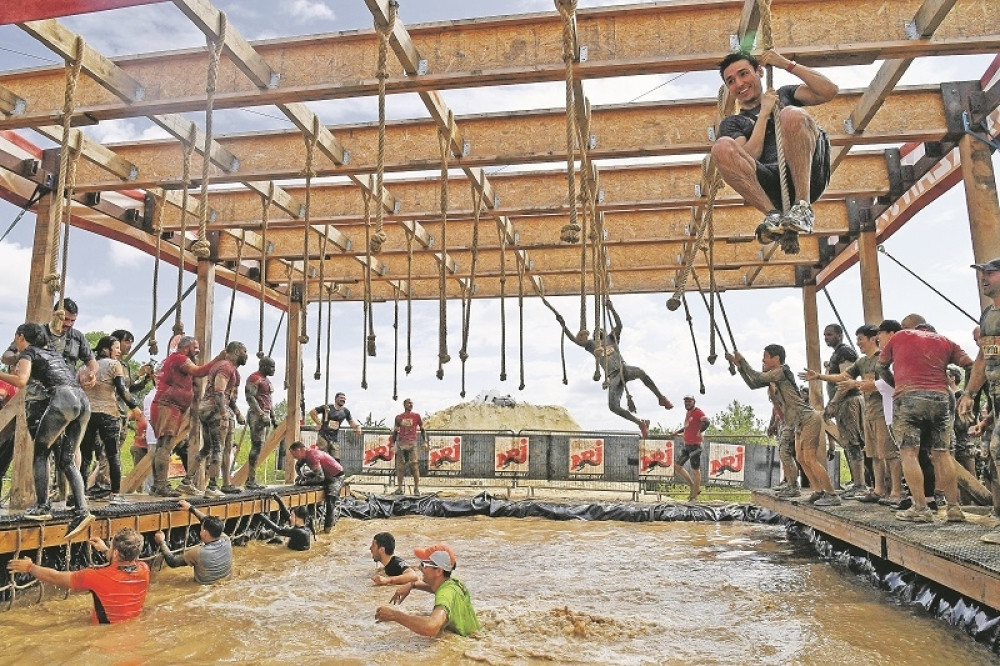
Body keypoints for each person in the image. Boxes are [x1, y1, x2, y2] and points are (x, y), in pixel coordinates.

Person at [712, 50, 838, 241]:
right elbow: (749, 157)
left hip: (808, 177)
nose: (739, 83)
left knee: (791, 114)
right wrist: (764, 114)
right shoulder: (733, 123)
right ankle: (773, 216)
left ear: (759, 72)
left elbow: (829, 91)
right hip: (771, 187)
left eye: (744, 74)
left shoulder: (784, 95)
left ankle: (802, 208)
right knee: (721, 147)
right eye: (731, 81)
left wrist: (786, 64)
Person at [0, 323, 95, 536]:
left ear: (21, 337)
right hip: (82, 400)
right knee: (67, 459)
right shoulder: (51, 351)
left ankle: (43, 507)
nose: (15, 342)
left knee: (41, 452)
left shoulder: (29, 352)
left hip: (63, 399)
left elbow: (21, 381)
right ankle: (82, 510)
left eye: (16, 338)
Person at [879, 315, 974, 523]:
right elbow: (970, 364)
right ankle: (954, 508)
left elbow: (881, 366)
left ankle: (921, 508)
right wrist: (968, 393)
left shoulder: (900, 336)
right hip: (940, 398)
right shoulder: (946, 341)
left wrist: (897, 384)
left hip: (909, 397)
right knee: (942, 453)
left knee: (909, 453)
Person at [727, 344, 839, 505]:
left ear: (776, 359)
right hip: (798, 422)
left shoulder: (781, 371)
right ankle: (818, 491)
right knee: (801, 458)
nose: (763, 360)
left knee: (810, 458)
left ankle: (832, 494)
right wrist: (739, 366)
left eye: (765, 357)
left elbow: (756, 377)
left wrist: (742, 360)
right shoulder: (775, 375)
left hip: (808, 419)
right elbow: (753, 384)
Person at [803, 325, 903, 504]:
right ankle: (878, 489)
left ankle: (895, 491)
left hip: (884, 410)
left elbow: (889, 384)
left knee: (888, 452)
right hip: (870, 410)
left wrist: (849, 390)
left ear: (873, 339)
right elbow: (843, 377)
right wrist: (818, 376)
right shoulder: (862, 361)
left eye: (861, 339)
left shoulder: (882, 359)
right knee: (874, 453)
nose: (858, 343)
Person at [555, 298, 672, 439]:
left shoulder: (612, 338)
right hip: (613, 377)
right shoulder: (592, 345)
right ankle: (640, 423)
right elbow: (576, 340)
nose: (598, 332)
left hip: (623, 369)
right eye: (596, 332)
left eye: (600, 331)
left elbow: (619, 325)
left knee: (640, 372)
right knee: (613, 406)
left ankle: (661, 398)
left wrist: (612, 309)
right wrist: (564, 326)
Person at [6, 527, 149, 624]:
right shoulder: (144, 569)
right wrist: (106, 550)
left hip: (105, 635)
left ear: (116, 553)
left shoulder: (96, 577)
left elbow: (55, 577)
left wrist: (30, 567)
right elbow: (123, 563)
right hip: (130, 628)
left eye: (111, 546)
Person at [150, 336, 224, 497]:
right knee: (165, 445)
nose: (197, 350)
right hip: (169, 405)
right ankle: (161, 485)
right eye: (195, 347)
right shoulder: (179, 359)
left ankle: (158, 485)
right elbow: (199, 371)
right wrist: (218, 358)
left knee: (163, 445)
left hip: (172, 406)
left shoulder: (175, 360)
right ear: (186, 347)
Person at [960, 257, 1000, 543]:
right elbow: (984, 357)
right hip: (996, 396)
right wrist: (969, 393)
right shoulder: (988, 315)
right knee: (994, 456)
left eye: (991, 273)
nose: (984, 278)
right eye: (982, 274)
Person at [79, 336, 142, 505]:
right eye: (116, 347)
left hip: (87, 414)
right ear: (106, 349)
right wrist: (134, 406)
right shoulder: (114, 365)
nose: (119, 351)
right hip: (108, 413)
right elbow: (122, 389)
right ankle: (115, 494)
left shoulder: (84, 367)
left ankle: (80, 494)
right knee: (113, 454)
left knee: (85, 455)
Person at [375, 543, 480, 637]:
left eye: (424, 565)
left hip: (466, 640)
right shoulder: (452, 583)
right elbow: (435, 588)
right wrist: (412, 585)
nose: (419, 568)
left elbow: (431, 627)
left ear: (438, 571)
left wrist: (395, 615)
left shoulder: (446, 593)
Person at [190, 341, 248, 497]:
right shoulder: (225, 367)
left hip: (208, 408)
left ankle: (187, 482)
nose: (246, 355)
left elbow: (229, 397)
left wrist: (237, 413)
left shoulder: (232, 370)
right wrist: (223, 414)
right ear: (236, 352)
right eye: (244, 351)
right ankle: (212, 486)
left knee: (208, 448)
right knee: (218, 449)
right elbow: (219, 392)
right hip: (214, 409)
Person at [154, 499, 232, 584]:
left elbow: (173, 562)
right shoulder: (226, 540)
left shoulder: (198, 552)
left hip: (203, 586)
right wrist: (190, 508)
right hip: (224, 582)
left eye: (201, 529)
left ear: (204, 533)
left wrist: (161, 542)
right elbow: (206, 521)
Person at [288, 440, 345, 533]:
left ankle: (327, 529)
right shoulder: (305, 455)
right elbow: (298, 466)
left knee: (330, 501)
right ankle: (311, 518)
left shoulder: (311, 456)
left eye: (294, 454)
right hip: (324, 473)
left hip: (336, 477)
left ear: (299, 450)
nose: (293, 457)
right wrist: (302, 476)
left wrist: (304, 483)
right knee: (302, 478)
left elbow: (320, 477)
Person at [244, 356, 278, 490]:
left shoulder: (267, 381)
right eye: (271, 367)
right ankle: (250, 480)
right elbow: (249, 397)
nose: (274, 370)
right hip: (257, 415)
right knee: (257, 446)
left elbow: (269, 400)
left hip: (266, 414)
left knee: (260, 447)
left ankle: (251, 479)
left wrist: (273, 417)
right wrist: (260, 413)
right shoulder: (254, 378)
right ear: (264, 366)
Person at [669, 395, 709, 502]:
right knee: (677, 466)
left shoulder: (698, 412)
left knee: (696, 472)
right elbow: (687, 426)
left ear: (694, 402)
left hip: (695, 446)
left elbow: (707, 421)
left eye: (689, 401)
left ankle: (694, 497)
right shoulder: (689, 413)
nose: (687, 403)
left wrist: (700, 431)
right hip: (687, 445)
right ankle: (693, 486)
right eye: (686, 401)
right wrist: (676, 432)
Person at [308, 392, 362, 461]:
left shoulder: (345, 411)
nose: (343, 400)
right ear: (336, 399)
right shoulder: (327, 407)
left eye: (344, 399)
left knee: (336, 460)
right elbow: (312, 412)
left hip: (334, 438)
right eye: (341, 398)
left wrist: (358, 426)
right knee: (322, 458)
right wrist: (319, 423)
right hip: (323, 436)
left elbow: (351, 422)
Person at [391, 398, 427, 495]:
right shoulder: (398, 417)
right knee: (400, 467)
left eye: (412, 403)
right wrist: (392, 444)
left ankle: (416, 489)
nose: (411, 405)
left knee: (414, 466)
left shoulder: (416, 416)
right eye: (409, 403)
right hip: (401, 444)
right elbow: (395, 431)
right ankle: (399, 488)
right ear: (404, 405)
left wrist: (425, 441)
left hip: (412, 444)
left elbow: (423, 429)